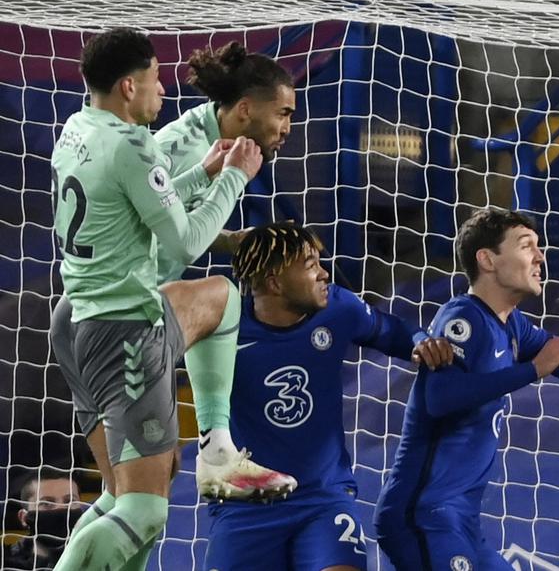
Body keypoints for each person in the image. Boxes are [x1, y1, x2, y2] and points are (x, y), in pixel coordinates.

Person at [47, 28, 294, 571]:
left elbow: (130, 203)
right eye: (157, 79)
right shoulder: (145, 141)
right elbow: (179, 239)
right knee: (143, 510)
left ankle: (216, 449)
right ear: (129, 87)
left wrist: (203, 178)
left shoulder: (78, 128)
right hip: (124, 325)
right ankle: (217, 449)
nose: (165, 91)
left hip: (80, 318)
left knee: (126, 497)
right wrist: (230, 179)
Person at [373, 207, 559, 571]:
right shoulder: (462, 319)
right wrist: (532, 370)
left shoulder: (511, 325)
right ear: (488, 260)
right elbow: (439, 398)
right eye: (527, 247)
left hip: (461, 521)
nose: (540, 257)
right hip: (423, 515)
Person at [203, 221, 455, 571]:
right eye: (310, 266)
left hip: (322, 498)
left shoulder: (339, 308)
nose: (324, 274)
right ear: (274, 282)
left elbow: (394, 331)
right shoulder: (223, 326)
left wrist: (421, 342)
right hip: (244, 506)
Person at [154, 39, 296, 273]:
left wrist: (231, 240)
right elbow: (138, 234)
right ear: (245, 110)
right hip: (123, 299)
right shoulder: (183, 153)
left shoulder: (217, 133)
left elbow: (173, 224)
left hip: (145, 293)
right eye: (282, 114)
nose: (287, 128)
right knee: (226, 295)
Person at [5, 469, 84, 570]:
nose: (61, 509)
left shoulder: (102, 559)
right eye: (46, 503)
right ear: (23, 518)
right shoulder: (6, 563)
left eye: (69, 501)